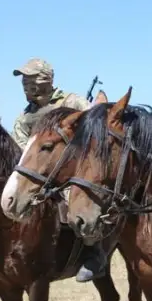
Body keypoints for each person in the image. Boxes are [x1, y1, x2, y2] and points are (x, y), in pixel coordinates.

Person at [11, 57, 108, 284]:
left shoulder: (72, 101)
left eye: (30, 78)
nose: (25, 84)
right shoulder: (24, 118)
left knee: (76, 201)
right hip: (39, 174)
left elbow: (97, 124)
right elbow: (21, 148)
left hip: (73, 171)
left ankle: (94, 251)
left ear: (46, 80)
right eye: (24, 80)